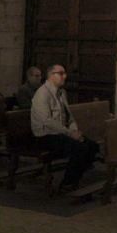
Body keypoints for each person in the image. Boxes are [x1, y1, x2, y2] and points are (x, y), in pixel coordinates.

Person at [31, 64, 99, 192]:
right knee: (80, 148)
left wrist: (74, 130)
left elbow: (69, 116)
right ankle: (67, 183)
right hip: (45, 136)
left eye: (64, 73)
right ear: (51, 75)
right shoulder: (42, 94)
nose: (64, 76)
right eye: (61, 73)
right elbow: (47, 121)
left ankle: (76, 175)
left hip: (61, 133)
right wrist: (69, 133)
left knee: (92, 146)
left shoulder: (62, 93)